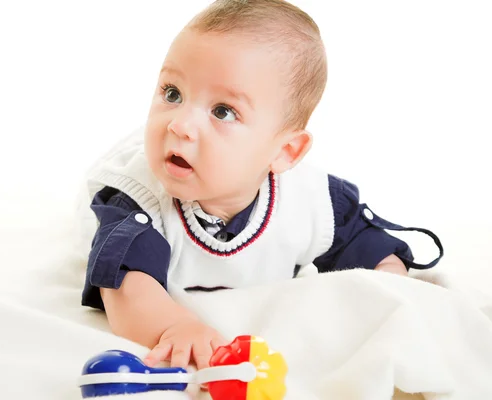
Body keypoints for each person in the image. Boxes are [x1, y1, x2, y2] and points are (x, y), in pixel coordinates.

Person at [80, 0, 442, 372]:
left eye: (223, 111)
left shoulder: (310, 202)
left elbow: (370, 246)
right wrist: (175, 325)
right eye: (172, 93)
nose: (180, 123)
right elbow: (125, 287)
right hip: (132, 172)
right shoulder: (137, 201)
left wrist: (390, 285)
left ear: (285, 152)